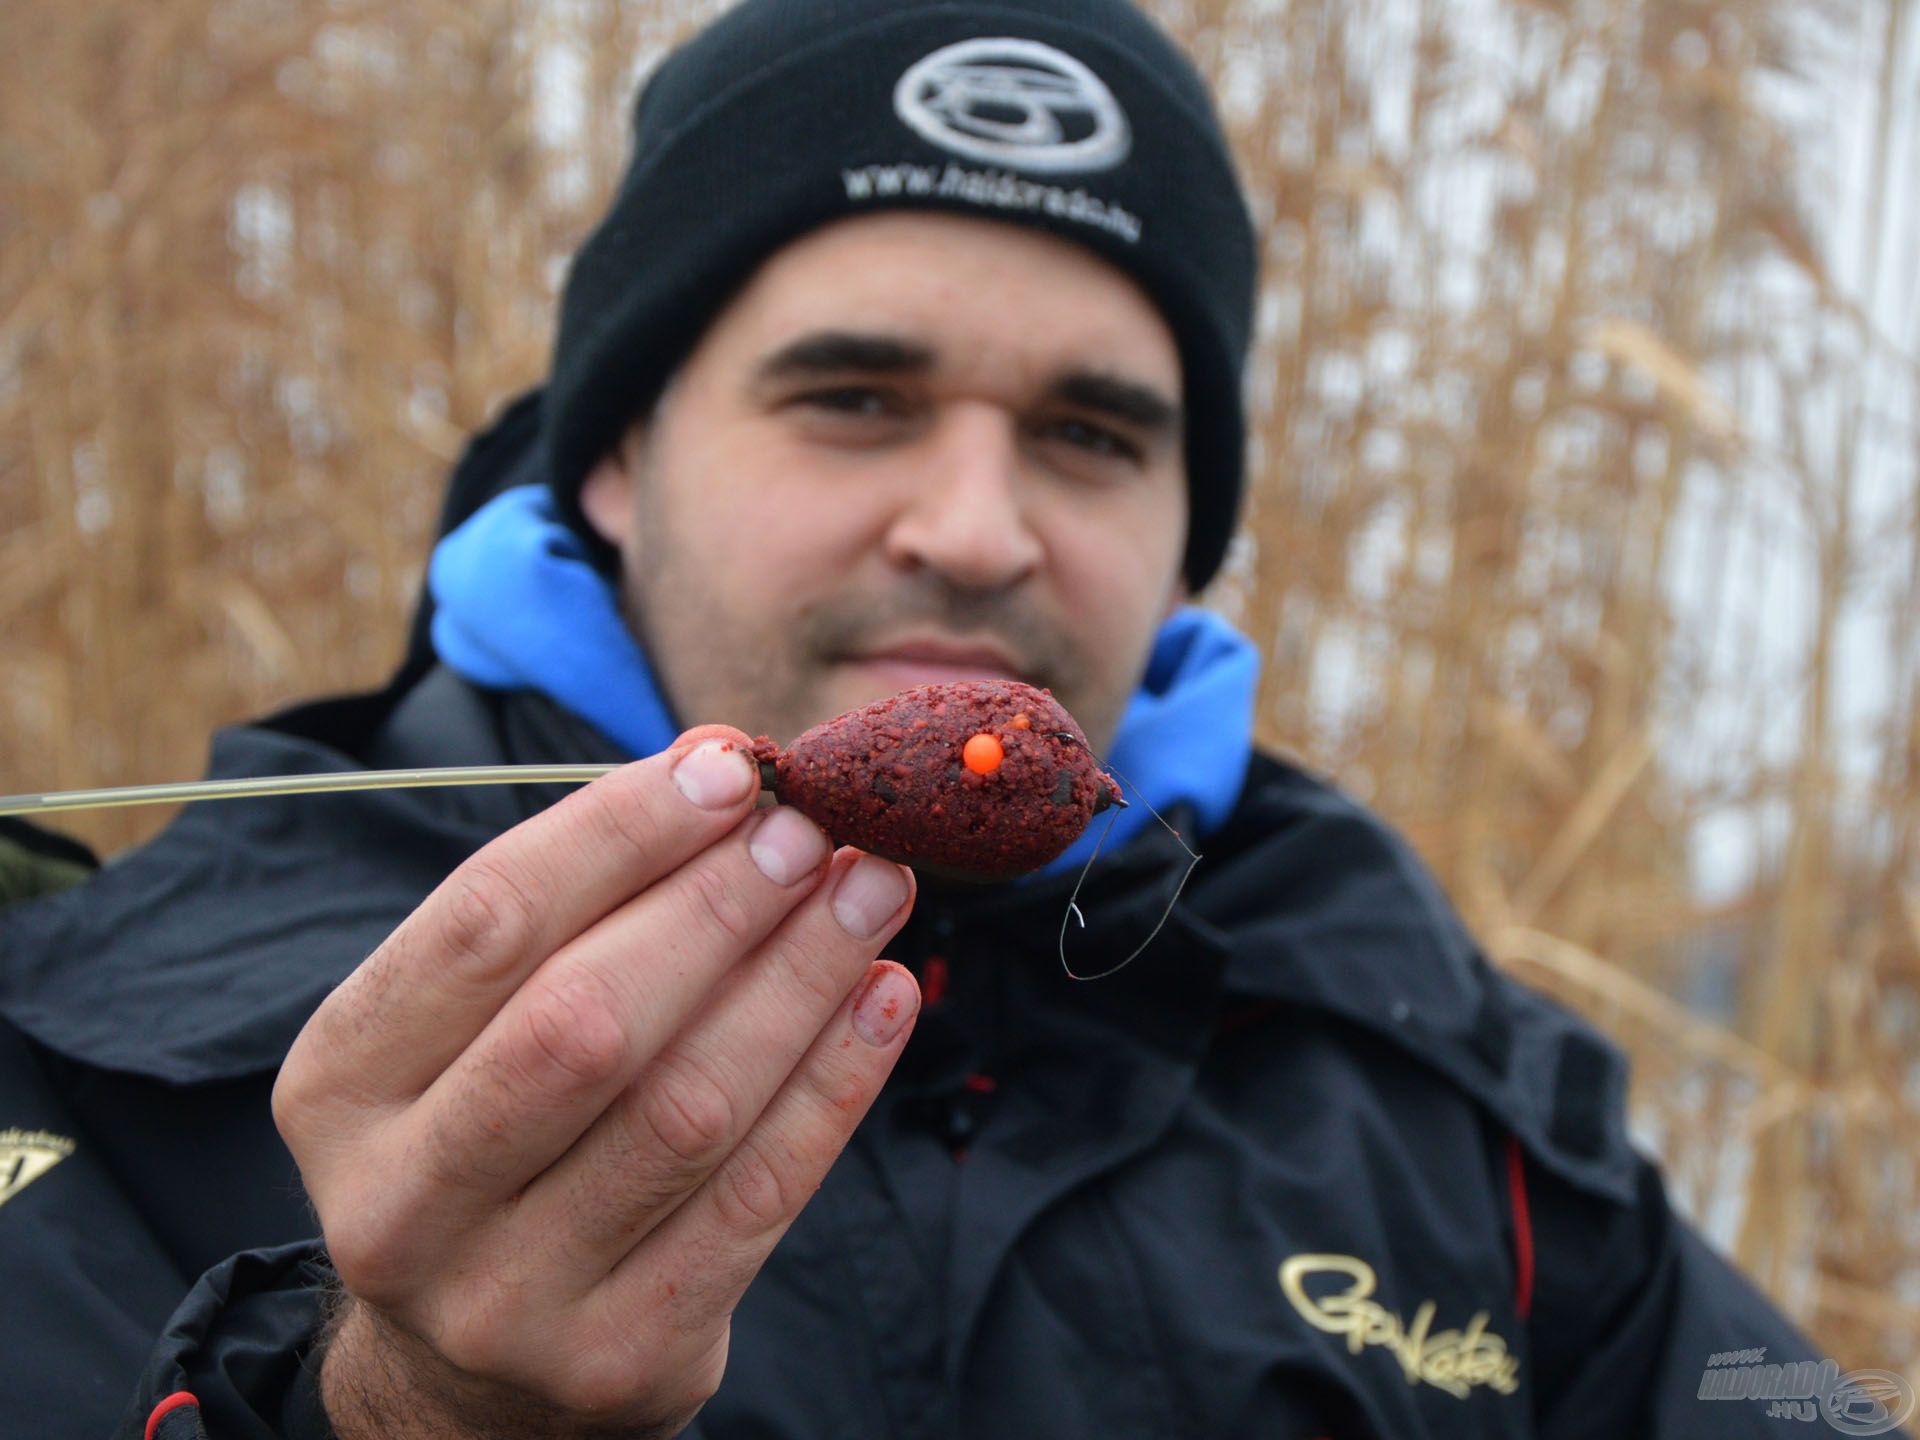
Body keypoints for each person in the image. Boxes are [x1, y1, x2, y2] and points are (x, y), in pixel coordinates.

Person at [0, 1, 1874, 1437]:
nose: (978, 532)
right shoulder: (111, 1037)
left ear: (1183, 526)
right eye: (855, 398)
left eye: (1089, 434)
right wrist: (393, 1409)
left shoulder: (1454, 1083)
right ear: (623, 462)